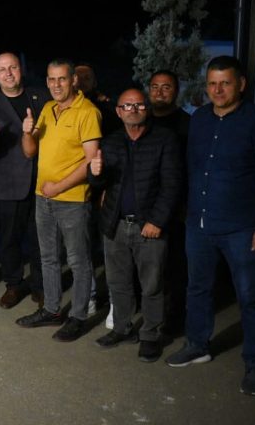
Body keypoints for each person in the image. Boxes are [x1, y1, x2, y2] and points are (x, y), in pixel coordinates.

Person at [166, 56, 255, 397]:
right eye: (212, 84)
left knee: (250, 297)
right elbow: (192, 168)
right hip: (200, 223)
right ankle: (197, 345)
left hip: (242, 227)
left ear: (241, 85)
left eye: (225, 83)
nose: (217, 90)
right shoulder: (200, 119)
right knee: (197, 289)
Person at [87, 88, 182, 362]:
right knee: (118, 282)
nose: (133, 110)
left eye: (138, 105)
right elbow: (100, 184)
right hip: (115, 224)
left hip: (149, 227)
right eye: (127, 106)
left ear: (147, 109)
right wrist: (95, 174)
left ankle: (150, 335)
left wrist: (157, 220)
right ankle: (122, 328)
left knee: (151, 285)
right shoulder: (112, 141)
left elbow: (172, 185)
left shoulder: (165, 139)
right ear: (118, 111)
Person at [16, 59, 101, 342]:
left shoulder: (88, 112)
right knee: (48, 257)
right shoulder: (47, 108)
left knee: (78, 261)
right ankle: (52, 310)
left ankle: (78, 317)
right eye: (51, 79)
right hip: (43, 198)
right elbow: (29, 151)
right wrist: (26, 131)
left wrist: (58, 187)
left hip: (73, 200)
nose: (56, 85)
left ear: (73, 80)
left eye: (62, 79)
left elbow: (91, 163)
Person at [0, 52, 47, 309]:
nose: (8, 73)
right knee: (9, 240)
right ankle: (13, 285)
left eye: (12, 67)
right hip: (8, 185)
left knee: (41, 239)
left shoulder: (42, 98)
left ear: (20, 69)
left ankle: (41, 286)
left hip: (42, 183)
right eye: (2, 69)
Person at [148, 69, 190, 334]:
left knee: (174, 266)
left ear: (176, 91)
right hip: (146, 204)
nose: (160, 92)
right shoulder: (142, 120)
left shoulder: (187, 124)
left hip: (176, 206)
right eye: (155, 87)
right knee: (149, 266)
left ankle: (174, 319)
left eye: (166, 87)